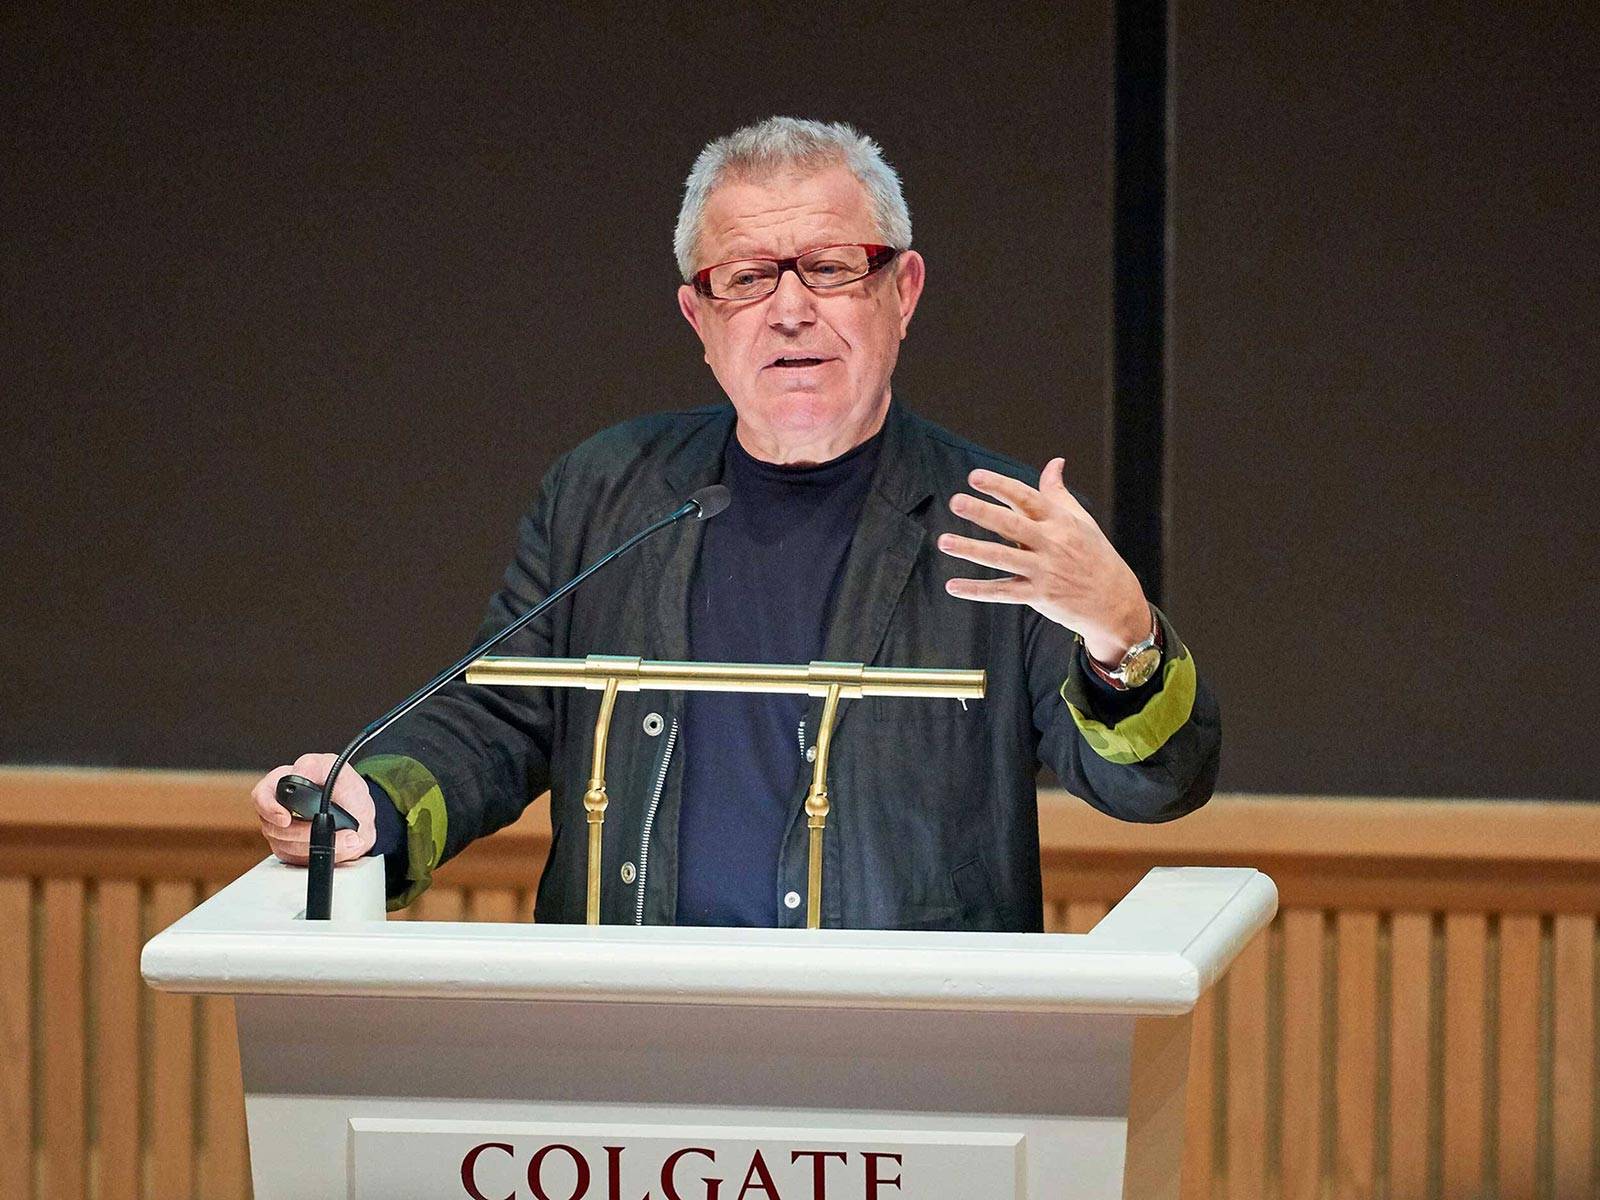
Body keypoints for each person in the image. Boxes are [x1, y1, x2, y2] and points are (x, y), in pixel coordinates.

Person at [251, 117, 1219, 930]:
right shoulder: (605, 496)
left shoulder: (997, 521)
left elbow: (1160, 782)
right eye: (748, 278)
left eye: (832, 269)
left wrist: (1121, 633)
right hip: (635, 1074)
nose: (789, 310)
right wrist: (368, 804)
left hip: (907, 1086)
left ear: (903, 293)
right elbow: (494, 717)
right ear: (698, 317)